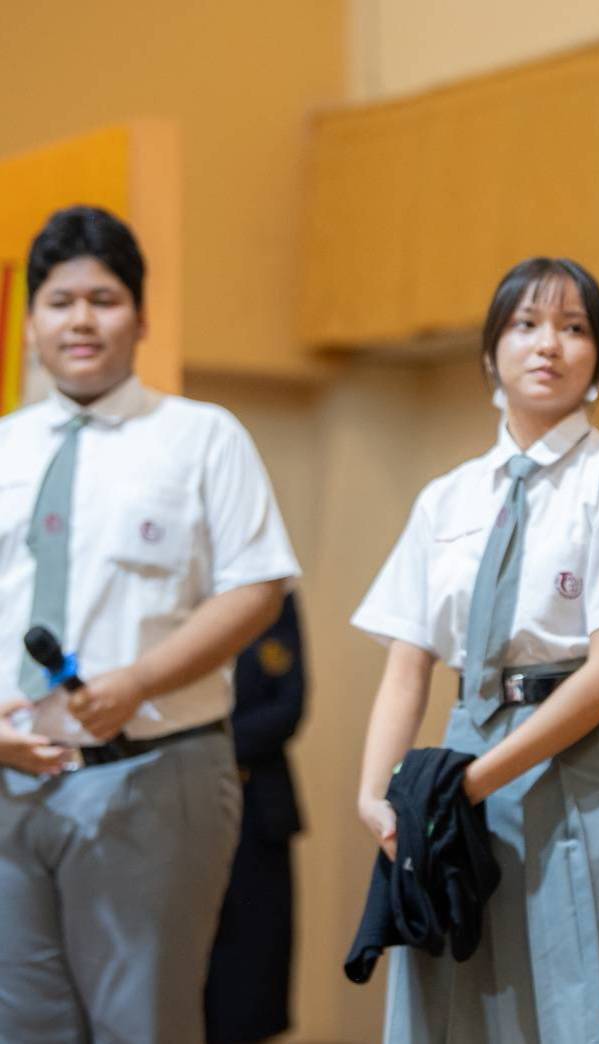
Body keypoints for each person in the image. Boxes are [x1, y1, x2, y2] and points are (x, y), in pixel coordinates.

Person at [352, 257, 599, 1043]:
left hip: (589, 759)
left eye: (573, 328)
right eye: (526, 324)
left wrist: (470, 786)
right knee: (469, 1003)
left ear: (597, 361)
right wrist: (377, 795)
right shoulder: (445, 497)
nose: (548, 344)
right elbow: (407, 667)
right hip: (466, 752)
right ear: (491, 354)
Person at [0, 206, 300, 1044]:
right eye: (60, 302)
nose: (81, 321)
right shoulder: (4, 446)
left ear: (141, 318)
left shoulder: (201, 437)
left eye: (104, 300)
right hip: (7, 783)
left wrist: (136, 682)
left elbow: (257, 590)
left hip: (153, 773)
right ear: (30, 325)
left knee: (144, 1028)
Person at [206, 591, 307, 1044]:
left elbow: (289, 705)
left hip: (258, 803)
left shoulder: (274, 598)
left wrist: (208, 749)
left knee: (256, 958)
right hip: (174, 795)